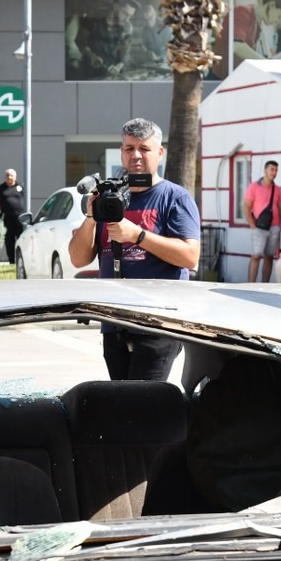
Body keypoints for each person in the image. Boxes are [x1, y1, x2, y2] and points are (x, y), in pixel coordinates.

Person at [68, 117, 200, 380]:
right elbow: (78, 259)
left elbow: (190, 256)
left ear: (159, 153)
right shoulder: (108, 196)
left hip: (159, 323)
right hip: (114, 323)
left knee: (145, 404)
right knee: (122, 403)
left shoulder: (175, 197)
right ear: (121, 152)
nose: (136, 155)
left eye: (144, 148)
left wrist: (138, 235)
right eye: (129, 148)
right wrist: (92, 217)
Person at [244, 160, 281, 282]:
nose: (274, 172)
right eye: (272, 169)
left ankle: (265, 286)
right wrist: (252, 226)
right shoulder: (254, 187)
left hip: (274, 227)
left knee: (269, 257)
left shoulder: (277, 189)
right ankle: (250, 286)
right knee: (256, 256)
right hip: (259, 227)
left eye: (276, 170)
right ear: (265, 170)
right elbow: (246, 207)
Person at [0, 168, 27, 264]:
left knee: (21, 239)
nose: (9, 177)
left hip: (20, 218)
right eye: (7, 175)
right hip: (7, 218)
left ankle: (22, 260)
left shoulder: (20, 187)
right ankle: (12, 261)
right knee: (9, 240)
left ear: (15, 177)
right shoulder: (0, 188)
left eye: (11, 175)